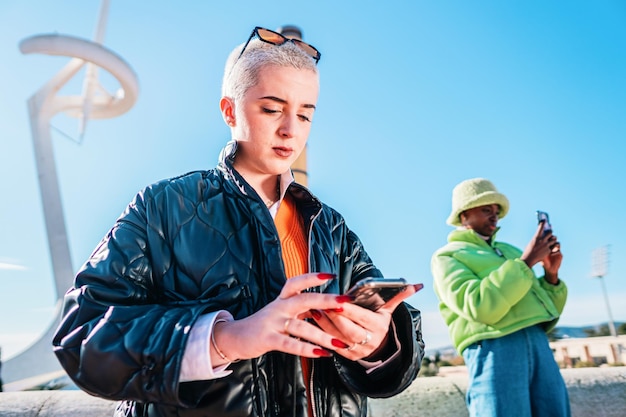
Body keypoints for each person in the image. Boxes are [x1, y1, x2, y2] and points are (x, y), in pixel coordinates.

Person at [52, 26, 424, 417]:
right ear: (229, 110)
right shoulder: (160, 206)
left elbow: (396, 358)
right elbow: (82, 335)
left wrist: (377, 345)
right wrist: (225, 338)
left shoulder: (331, 228)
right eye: (272, 109)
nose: (290, 130)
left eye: (304, 114)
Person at [431, 178, 570, 417]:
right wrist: (526, 262)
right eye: (486, 210)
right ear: (464, 215)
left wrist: (551, 274)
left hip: (538, 342)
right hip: (493, 348)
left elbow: (548, 309)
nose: (494, 216)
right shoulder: (447, 257)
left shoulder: (511, 252)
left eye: (496, 211)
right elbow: (478, 306)